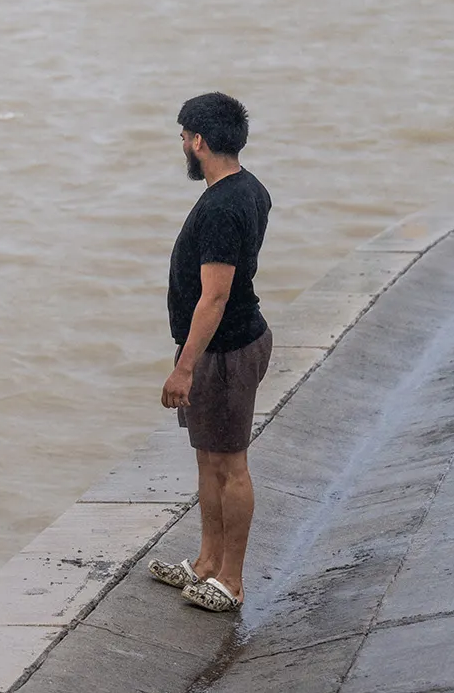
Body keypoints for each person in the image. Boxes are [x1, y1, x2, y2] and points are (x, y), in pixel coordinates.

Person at [146, 92, 272, 614]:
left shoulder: (222, 206)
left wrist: (185, 366)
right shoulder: (249, 188)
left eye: (182, 136)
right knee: (208, 459)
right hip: (229, 344)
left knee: (230, 464)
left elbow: (215, 295)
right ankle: (205, 564)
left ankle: (232, 581)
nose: (181, 145)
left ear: (199, 140)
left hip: (225, 351)